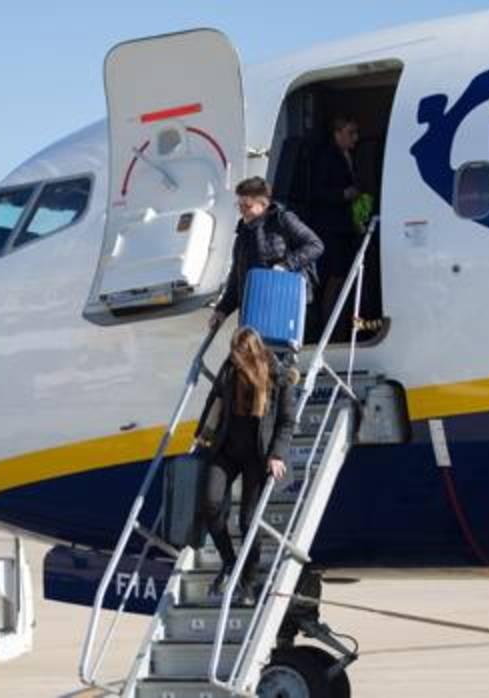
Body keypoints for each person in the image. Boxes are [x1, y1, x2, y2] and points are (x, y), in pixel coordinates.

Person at [194, 327, 298, 602]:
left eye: (238, 353)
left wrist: (277, 454)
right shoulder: (229, 369)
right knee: (211, 503)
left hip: (258, 455)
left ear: (252, 353)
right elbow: (213, 399)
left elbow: (287, 421)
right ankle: (229, 561)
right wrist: (202, 434)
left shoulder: (278, 376)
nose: (233, 357)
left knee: (248, 521)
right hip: (226, 449)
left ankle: (248, 581)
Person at [208, 177, 323, 331]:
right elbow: (237, 277)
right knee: (244, 354)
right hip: (253, 312)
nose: (242, 210)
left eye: (247, 206)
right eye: (239, 205)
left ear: (263, 204)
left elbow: (315, 245)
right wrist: (222, 310)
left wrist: (287, 264)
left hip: (282, 307)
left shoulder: (283, 220)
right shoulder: (243, 232)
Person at [308, 116, 364, 336]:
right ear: (337, 133)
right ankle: (326, 325)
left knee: (341, 275)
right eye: (351, 133)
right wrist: (343, 194)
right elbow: (317, 191)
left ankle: (336, 322)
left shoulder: (349, 155)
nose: (355, 138)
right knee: (333, 275)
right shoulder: (326, 157)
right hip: (330, 227)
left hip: (344, 226)